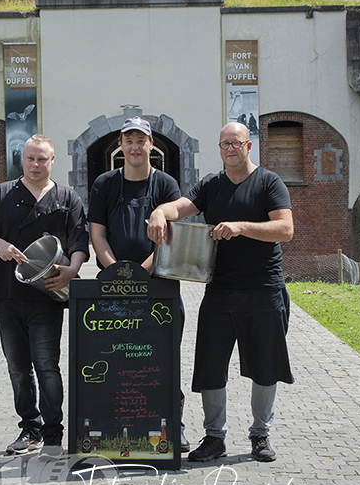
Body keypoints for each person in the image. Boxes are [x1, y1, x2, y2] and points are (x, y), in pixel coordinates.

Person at [148, 122, 294, 463]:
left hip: (263, 288)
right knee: (210, 365)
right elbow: (180, 207)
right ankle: (215, 437)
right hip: (220, 289)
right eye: (224, 144)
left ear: (248, 147)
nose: (230, 148)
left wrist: (241, 227)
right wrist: (159, 212)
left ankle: (260, 434)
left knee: (265, 365)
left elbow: (285, 229)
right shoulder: (212, 185)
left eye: (236, 143)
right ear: (220, 149)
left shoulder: (268, 183)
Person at [0, 134, 88, 455]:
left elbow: (80, 242)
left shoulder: (67, 198)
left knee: (46, 365)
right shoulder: (2, 194)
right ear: (21, 160)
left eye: (42, 159)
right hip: (8, 294)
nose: (35, 165)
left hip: (47, 296)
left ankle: (53, 432)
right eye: (30, 159)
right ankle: (30, 427)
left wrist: (71, 270)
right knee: (17, 367)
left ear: (53, 161)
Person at [87, 116, 189, 450]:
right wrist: (117, 273)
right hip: (114, 289)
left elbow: (170, 237)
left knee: (164, 361)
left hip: (159, 287)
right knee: (117, 360)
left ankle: (174, 424)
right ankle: (118, 426)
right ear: (120, 144)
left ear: (151, 145)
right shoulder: (104, 184)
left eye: (141, 140)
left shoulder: (166, 185)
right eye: (129, 140)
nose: (135, 147)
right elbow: (97, 234)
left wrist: (143, 273)